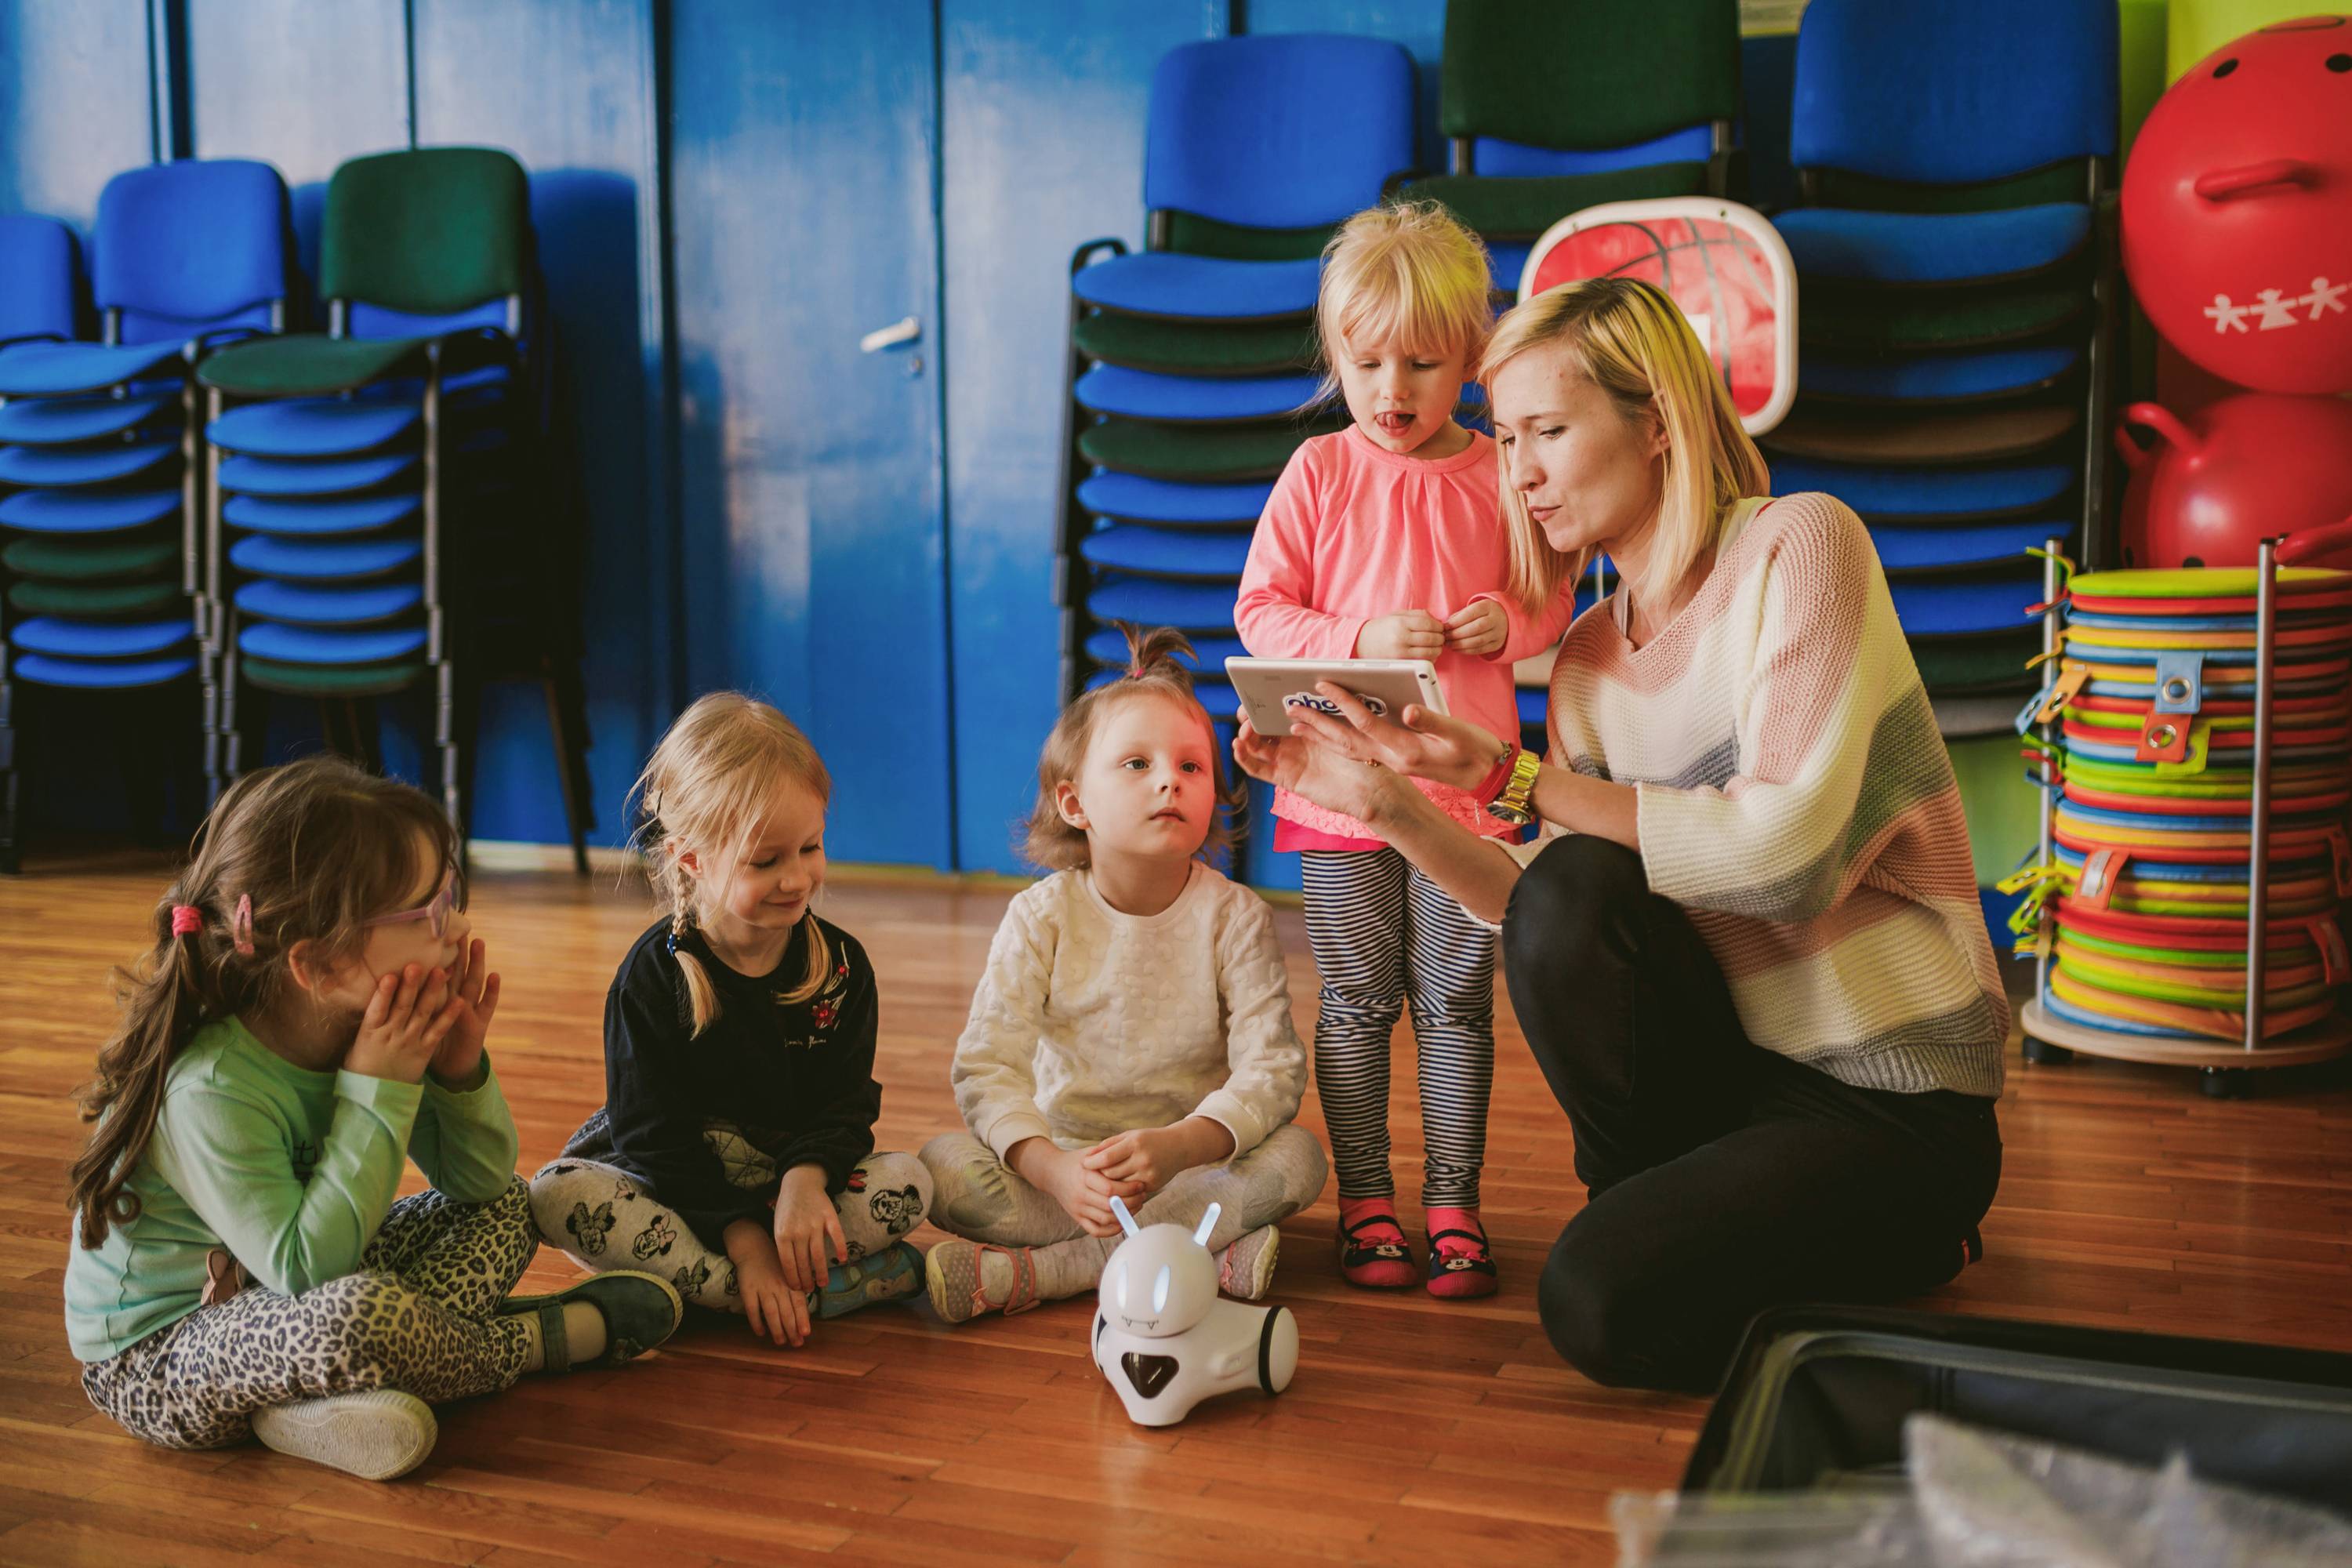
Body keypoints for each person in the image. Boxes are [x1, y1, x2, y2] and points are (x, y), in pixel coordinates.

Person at [1234, 277, 2007, 1392]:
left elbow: (1786, 861)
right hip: (1735, 1085)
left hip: (1886, 1095)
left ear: (1656, 424)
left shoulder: (1802, 546)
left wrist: (1514, 772)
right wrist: (1383, 799)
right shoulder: (1592, 656)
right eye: (1504, 439)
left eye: (1548, 431)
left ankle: (1895, 1231)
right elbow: (1538, 905)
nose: (1520, 471)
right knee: (1569, 895)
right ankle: (1689, 1211)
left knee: (1596, 1305)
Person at [64, 757, 680, 1482]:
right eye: (427, 913)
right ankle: (526, 1344)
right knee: (360, 1314)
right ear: (320, 967)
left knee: (514, 1204)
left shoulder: (362, 1022)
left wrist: (457, 1072)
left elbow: (477, 1184)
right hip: (160, 1358)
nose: (455, 927)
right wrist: (376, 1086)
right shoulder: (211, 1089)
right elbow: (308, 1271)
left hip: (297, 1293)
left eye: (449, 895)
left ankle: (318, 1408)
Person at [1235, 201, 1580, 1296]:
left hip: (1460, 810)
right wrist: (1355, 638)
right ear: (1335, 354)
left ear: (1471, 358)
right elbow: (1261, 611)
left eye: (1421, 365)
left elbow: (1552, 593)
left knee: (1457, 1002)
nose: (1391, 391)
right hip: (1339, 798)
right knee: (1353, 1002)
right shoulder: (1320, 473)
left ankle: (1454, 1203)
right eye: (1366, 360)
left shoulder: (1497, 470)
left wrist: (1508, 625)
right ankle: (1369, 1203)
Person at [919, 626, 1327, 1322]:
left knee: (1299, 1159)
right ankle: (1198, 1255)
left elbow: (1272, 1071)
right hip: (1067, 1173)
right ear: (1075, 804)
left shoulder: (1237, 917)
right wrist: (1054, 1169)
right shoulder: (1038, 917)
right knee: (939, 1169)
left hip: (1190, 1162)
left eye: (1192, 767)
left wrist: (1180, 1147)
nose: (1170, 778)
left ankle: (1046, 1275)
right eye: (1137, 764)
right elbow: (987, 1067)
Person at [528, 694, 932, 1348]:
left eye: (810, 847)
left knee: (911, 1184)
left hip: (786, 1188)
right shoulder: (652, 978)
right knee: (555, 1196)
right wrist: (746, 1243)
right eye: (765, 861)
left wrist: (806, 1182)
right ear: (691, 859)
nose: (797, 878)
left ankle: (716, 1293)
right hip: (677, 1191)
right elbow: (650, 1137)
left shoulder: (842, 969)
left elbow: (845, 1103)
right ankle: (790, 1288)